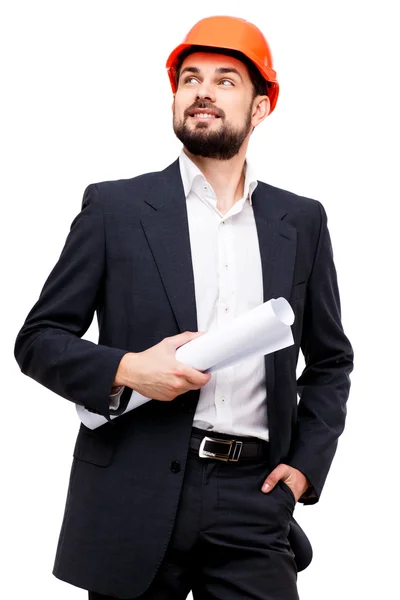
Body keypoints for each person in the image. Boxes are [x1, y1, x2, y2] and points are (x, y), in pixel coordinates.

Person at [14, 15, 354, 600]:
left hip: (254, 496)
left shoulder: (299, 221)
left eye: (226, 81)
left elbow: (330, 361)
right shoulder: (115, 208)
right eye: (190, 78)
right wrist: (127, 370)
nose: (202, 91)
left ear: (260, 108)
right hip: (133, 490)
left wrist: (304, 467)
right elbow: (39, 339)